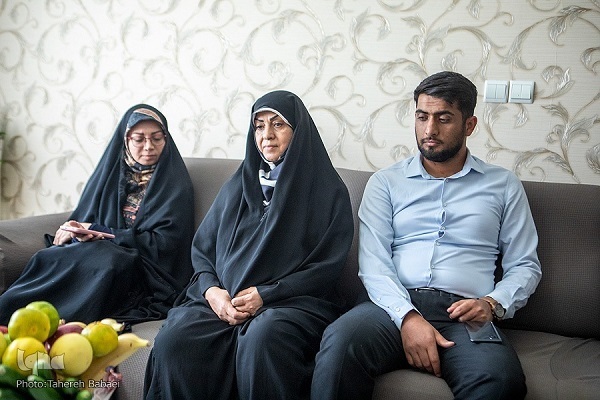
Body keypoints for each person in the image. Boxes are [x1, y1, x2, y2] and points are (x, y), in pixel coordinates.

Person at [311, 71, 542, 399]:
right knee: (339, 345)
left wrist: (493, 304)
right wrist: (408, 317)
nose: (429, 130)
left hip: (465, 313)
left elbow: (525, 265)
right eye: (422, 117)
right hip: (389, 307)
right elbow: (374, 264)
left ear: (469, 125)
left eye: (443, 118)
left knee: (500, 380)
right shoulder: (386, 183)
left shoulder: (503, 185)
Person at [143, 90, 353, 400]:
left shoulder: (328, 190)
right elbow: (203, 250)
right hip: (225, 300)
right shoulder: (238, 185)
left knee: (262, 338)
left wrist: (267, 295)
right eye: (259, 125)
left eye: (278, 124)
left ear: (298, 131)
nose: (267, 135)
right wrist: (212, 292)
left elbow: (326, 267)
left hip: (291, 302)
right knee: (175, 342)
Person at [0, 104, 195, 325]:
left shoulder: (176, 185)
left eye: (157, 138)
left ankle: (59, 325)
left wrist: (101, 231)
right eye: (139, 139)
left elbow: (166, 244)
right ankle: (8, 316)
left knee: (108, 261)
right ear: (125, 140)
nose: (149, 146)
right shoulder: (111, 174)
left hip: (144, 267)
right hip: (98, 249)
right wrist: (76, 230)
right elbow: (86, 217)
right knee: (49, 256)